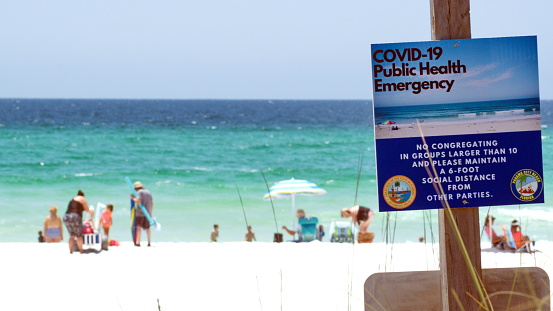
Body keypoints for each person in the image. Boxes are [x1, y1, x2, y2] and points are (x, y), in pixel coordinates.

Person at [130, 181, 154, 247]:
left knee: (138, 228)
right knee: (147, 228)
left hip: (140, 213)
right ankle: (149, 242)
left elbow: (138, 201)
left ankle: (138, 242)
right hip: (147, 213)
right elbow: (152, 203)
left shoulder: (139, 192)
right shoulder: (148, 192)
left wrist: (132, 198)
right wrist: (150, 213)